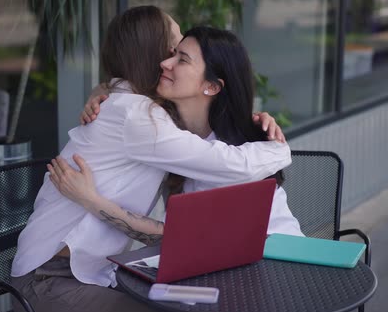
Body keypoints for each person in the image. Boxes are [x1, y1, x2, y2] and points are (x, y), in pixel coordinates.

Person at [11, 6, 291, 312]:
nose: (171, 58)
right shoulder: (139, 116)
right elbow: (233, 164)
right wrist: (279, 148)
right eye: (173, 47)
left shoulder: (147, 113)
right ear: (153, 54)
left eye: (180, 54)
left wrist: (101, 90)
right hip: (49, 281)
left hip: (90, 275)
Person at [51, 27, 303, 249]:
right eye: (171, 53)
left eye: (181, 59)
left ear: (212, 87)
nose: (165, 63)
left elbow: (182, 239)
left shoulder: (232, 153)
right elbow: (120, 89)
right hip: (222, 265)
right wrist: (100, 94)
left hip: (277, 257)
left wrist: (91, 200)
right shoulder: (161, 135)